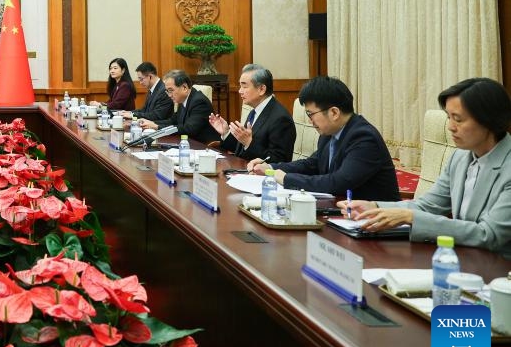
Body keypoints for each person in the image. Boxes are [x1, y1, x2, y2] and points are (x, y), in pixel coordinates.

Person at [344, 78, 511, 254]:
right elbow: (428, 205)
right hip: (464, 258)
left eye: (458, 119)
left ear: (489, 121)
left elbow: (489, 234)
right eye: (449, 117)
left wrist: (411, 218)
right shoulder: (460, 157)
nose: (450, 127)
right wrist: (375, 208)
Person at [247, 76, 398, 200]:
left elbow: (338, 182)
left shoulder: (364, 138)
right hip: (342, 212)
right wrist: (272, 168)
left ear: (334, 113)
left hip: (375, 224)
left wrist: (287, 179)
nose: (309, 120)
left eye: (311, 114)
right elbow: (313, 164)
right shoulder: (329, 133)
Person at [209, 64, 295, 162]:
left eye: (244, 86)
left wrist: (249, 143)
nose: (240, 91)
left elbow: (279, 161)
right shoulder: (254, 111)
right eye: (240, 86)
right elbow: (241, 149)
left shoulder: (281, 119)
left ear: (261, 89)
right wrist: (226, 132)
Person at [141, 70, 220, 143]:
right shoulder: (183, 99)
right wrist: (152, 123)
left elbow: (188, 129)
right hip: (188, 143)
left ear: (184, 88)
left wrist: (157, 127)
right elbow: (173, 120)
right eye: (167, 91)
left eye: (171, 90)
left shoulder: (199, 101)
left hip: (205, 147)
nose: (169, 95)